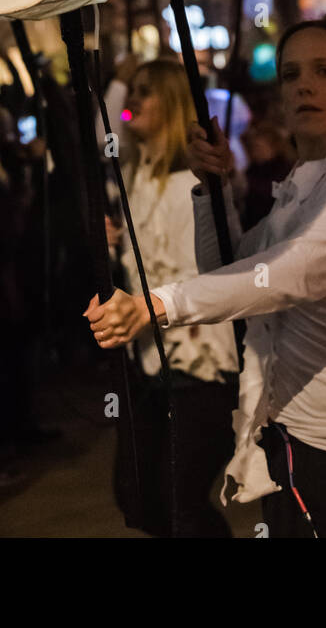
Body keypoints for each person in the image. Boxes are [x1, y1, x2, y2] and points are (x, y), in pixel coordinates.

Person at [86, 15, 326, 539]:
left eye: (324, 71)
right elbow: (231, 265)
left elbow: (287, 276)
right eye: (292, 74)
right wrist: (213, 187)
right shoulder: (302, 186)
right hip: (309, 449)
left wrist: (153, 306)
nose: (304, 85)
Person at [103, 59, 239, 538]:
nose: (134, 100)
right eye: (132, 91)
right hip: (147, 362)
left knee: (180, 498)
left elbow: (212, 273)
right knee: (138, 496)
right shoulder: (135, 178)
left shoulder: (194, 184)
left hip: (199, 362)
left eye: (147, 91)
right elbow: (103, 126)